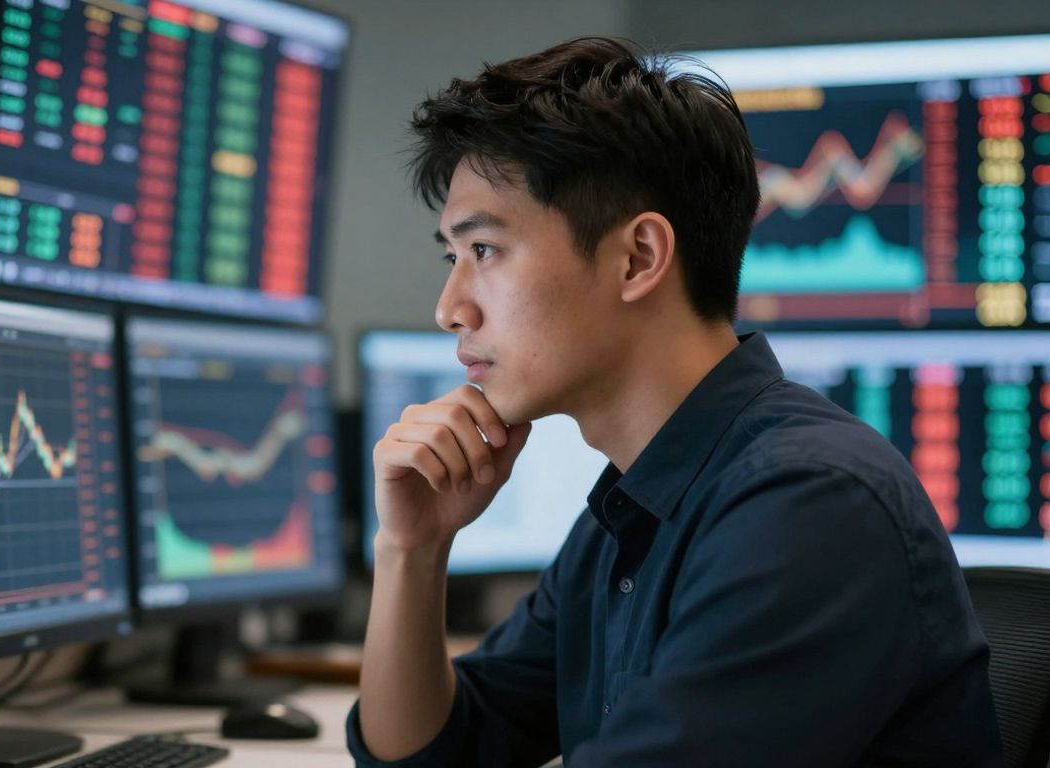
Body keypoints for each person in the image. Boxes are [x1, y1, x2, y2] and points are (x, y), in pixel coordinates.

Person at [347, 36, 1001, 767]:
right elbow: (437, 755)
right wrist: (413, 549)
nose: (449, 309)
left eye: (485, 251)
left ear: (638, 259)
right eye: (452, 257)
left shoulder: (807, 505)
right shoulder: (633, 511)